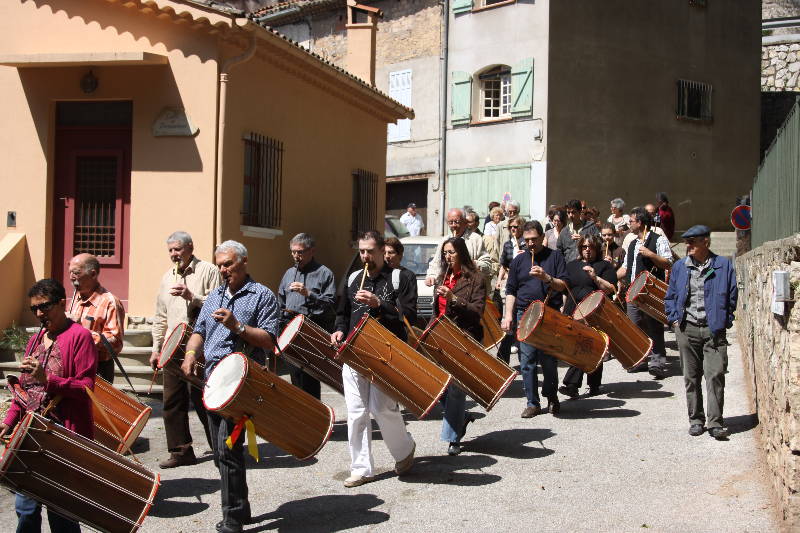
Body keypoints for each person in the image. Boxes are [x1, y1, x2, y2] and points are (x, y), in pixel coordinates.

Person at [181, 240, 280, 533]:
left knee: (227, 447)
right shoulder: (214, 296)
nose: (223, 270)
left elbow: (270, 341)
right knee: (221, 450)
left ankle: (233, 519)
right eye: (220, 265)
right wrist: (189, 355)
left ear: (244, 262)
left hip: (242, 383)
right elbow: (199, 331)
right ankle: (241, 508)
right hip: (211, 380)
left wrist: (237, 326)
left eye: (228, 264)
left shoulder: (262, 295)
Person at [1, 278, 98, 533]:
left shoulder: (80, 337)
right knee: (26, 508)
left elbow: (86, 387)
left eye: (44, 307)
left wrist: (49, 380)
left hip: (64, 433)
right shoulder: (36, 339)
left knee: (61, 512)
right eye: (34, 309)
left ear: (61, 303)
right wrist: (8, 422)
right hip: (32, 434)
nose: (39, 314)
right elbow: (25, 390)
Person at [331, 231, 416, 488]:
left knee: (382, 409)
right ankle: (361, 468)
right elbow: (342, 312)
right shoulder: (354, 277)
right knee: (356, 413)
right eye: (362, 251)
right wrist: (339, 330)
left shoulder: (402, 277)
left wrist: (380, 303)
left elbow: (409, 315)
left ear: (382, 251)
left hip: (386, 353)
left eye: (370, 251)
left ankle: (404, 450)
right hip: (354, 352)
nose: (365, 256)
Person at [150, 231, 219, 469]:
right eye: (170, 250)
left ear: (190, 247)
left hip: (199, 344)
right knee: (172, 400)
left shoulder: (208, 270)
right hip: (172, 345)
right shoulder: (166, 277)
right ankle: (180, 452)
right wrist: (156, 347)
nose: (173, 254)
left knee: (204, 398)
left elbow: (218, 304)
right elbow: (160, 315)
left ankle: (220, 447)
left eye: (177, 249)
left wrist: (193, 296)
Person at [665, 225, 737, 440]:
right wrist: (674, 319)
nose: (688, 246)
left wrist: (725, 320)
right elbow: (670, 296)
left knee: (715, 375)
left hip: (714, 329)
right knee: (691, 377)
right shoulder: (680, 267)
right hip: (687, 328)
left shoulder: (723, 265)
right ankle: (696, 420)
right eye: (686, 242)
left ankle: (716, 422)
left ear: (706, 242)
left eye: (692, 242)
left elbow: (732, 296)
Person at [502, 221, 568, 418]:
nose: (530, 243)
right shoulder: (518, 261)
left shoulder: (555, 257)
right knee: (527, 360)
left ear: (542, 238)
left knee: (548, 360)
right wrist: (508, 316)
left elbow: (563, 285)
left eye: (534, 239)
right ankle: (532, 402)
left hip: (549, 312)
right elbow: (511, 290)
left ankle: (551, 397)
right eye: (527, 240)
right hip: (525, 312)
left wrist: (547, 278)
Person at [431, 237, 485, 456]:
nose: (447, 256)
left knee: (455, 389)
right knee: (436, 385)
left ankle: (453, 438)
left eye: (451, 252)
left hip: (465, 338)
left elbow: (477, 312)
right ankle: (461, 418)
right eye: (445, 253)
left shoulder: (476, 279)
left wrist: (454, 298)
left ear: (461, 253)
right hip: (441, 337)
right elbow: (436, 311)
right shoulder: (443, 277)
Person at [277, 233, 336, 399]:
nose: (296, 256)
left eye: (300, 252)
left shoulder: (324, 273)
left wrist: (307, 293)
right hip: (289, 327)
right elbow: (280, 300)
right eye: (293, 252)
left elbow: (330, 304)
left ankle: (316, 416)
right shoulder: (288, 273)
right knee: (294, 374)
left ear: (312, 251)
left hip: (310, 328)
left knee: (309, 376)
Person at [558, 234, 617, 398]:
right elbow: (565, 289)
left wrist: (595, 277)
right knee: (586, 347)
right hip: (572, 311)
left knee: (587, 346)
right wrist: (564, 308)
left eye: (590, 247)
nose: (587, 250)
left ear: (597, 248)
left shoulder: (604, 266)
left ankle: (573, 384)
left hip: (594, 313)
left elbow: (611, 288)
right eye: (584, 247)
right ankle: (593, 385)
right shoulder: (571, 266)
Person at [617, 207, 673, 379]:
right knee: (635, 327)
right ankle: (640, 360)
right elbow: (625, 269)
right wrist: (608, 276)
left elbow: (668, 263)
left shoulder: (658, 240)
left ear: (640, 222)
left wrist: (651, 254)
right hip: (632, 292)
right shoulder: (632, 243)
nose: (629, 224)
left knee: (654, 327)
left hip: (649, 291)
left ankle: (657, 363)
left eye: (631, 221)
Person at [68, 253, 125, 383]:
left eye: (76, 273)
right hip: (74, 366)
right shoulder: (75, 299)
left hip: (98, 369)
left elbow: (116, 343)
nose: (71, 277)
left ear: (93, 274)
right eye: (70, 272)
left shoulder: (110, 302)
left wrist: (82, 332)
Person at [426, 208, 493, 286]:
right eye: (451, 222)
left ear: (465, 222)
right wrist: (432, 276)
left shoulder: (475, 239)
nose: (454, 225)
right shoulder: (444, 240)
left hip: (469, 287)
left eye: (457, 222)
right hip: (448, 286)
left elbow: (487, 265)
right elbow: (436, 263)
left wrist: (473, 264)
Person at [496, 216, 526, 365]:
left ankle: (524, 359)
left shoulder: (527, 244)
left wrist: (525, 256)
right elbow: (503, 264)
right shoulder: (508, 244)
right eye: (511, 227)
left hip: (524, 284)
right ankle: (503, 360)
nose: (513, 229)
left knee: (520, 321)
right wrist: (500, 280)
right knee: (507, 320)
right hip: (510, 283)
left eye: (516, 227)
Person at [384, 236, 419, 327]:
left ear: (400, 255)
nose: (387, 256)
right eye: (384, 253)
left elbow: (409, 309)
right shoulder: (380, 274)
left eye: (391, 252)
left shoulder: (408, 276)